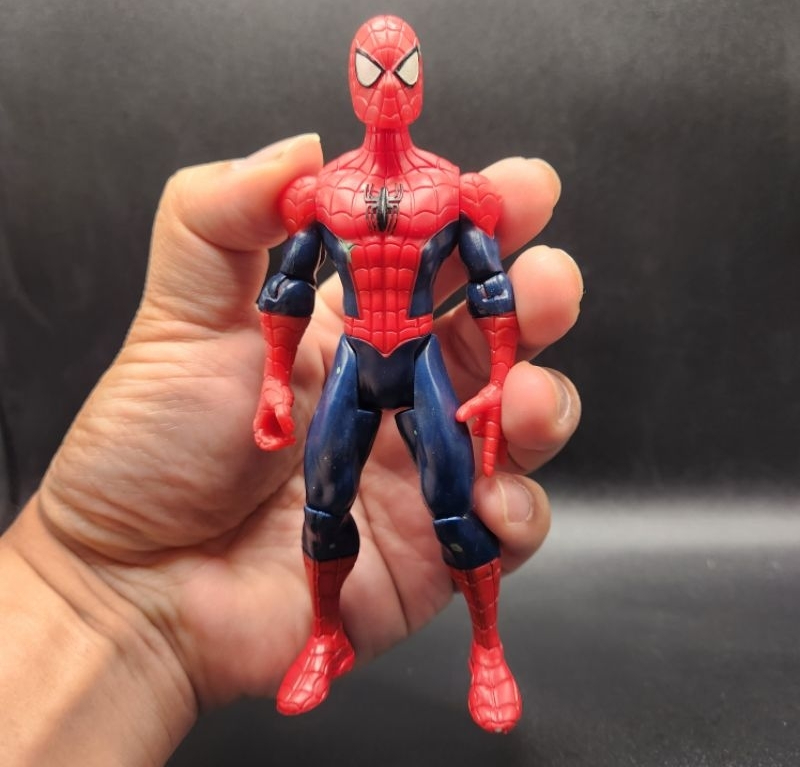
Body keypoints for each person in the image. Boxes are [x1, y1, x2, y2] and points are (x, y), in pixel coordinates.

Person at [0, 133, 582, 764]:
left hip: (420, 353)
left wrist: (499, 378)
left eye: (403, 78)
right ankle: (327, 635)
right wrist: (275, 378)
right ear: (353, 85)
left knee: (456, 508)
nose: (388, 88)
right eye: (372, 78)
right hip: (355, 354)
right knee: (322, 508)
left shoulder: (453, 188)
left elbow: (490, 282)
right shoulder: (325, 192)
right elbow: (290, 284)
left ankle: (488, 650)